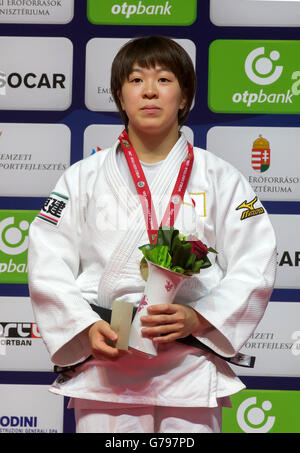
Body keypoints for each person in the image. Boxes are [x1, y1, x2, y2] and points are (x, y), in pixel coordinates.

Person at [27, 36, 277, 434]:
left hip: (190, 365)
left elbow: (256, 259)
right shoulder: (81, 178)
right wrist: (83, 327)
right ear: (120, 98)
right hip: (107, 363)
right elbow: (47, 261)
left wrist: (199, 318)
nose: (148, 90)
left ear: (184, 97)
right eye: (135, 80)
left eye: (163, 80)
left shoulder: (221, 178)